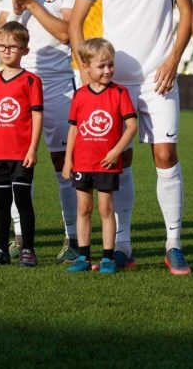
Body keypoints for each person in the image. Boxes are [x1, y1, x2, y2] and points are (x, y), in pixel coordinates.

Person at [69, 0, 192, 274]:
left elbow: (186, 12)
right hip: (114, 80)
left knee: (165, 154)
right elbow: (76, 20)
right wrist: (85, 67)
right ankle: (122, 247)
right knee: (117, 162)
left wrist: (173, 59)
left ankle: (173, 244)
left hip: (159, 76)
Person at [0, 0, 80, 264]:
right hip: (17, 84)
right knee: (12, 163)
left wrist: (30, 4)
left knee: (63, 163)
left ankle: (71, 237)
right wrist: (15, 7)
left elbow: (65, 32)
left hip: (56, 82)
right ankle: (18, 236)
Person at [62, 38, 137, 274]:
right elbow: (73, 128)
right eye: (102, 66)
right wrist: (68, 160)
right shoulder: (81, 95)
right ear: (85, 67)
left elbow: (132, 125)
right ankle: (83, 257)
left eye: (110, 65)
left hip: (106, 164)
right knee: (83, 208)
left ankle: (107, 258)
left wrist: (116, 151)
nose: (108, 70)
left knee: (106, 209)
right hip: (83, 162)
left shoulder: (120, 93)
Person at [0, 22, 44, 267]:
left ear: (24, 50)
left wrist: (33, 149)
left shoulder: (31, 81)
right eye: (2, 46)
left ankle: (28, 250)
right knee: (1, 204)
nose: (6, 51)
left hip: (21, 153)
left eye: (13, 47)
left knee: (22, 200)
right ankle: (1, 250)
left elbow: (36, 116)